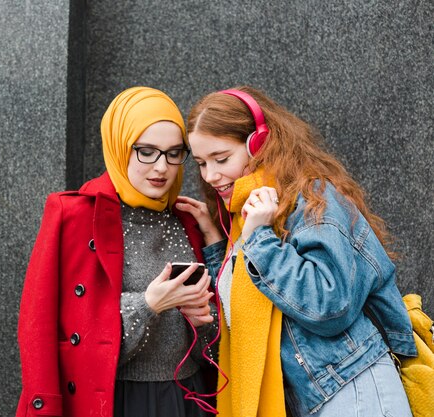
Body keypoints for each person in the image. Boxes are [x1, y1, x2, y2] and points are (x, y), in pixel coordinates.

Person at [175, 86, 417, 416]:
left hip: (352, 389)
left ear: (258, 144)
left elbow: (329, 305)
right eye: (202, 163)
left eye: (221, 159)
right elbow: (244, 304)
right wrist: (218, 243)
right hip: (312, 398)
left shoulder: (312, 199)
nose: (211, 175)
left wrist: (259, 238)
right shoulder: (245, 215)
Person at [16, 86, 219, 417]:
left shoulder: (189, 219)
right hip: (115, 401)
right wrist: (149, 304)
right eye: (146, 151)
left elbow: (217, 339)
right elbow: (39, 328)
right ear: (120, 147)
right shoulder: (76, 216)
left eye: (173, 153)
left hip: (189, 398)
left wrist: (203, 322)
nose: (161, 167)